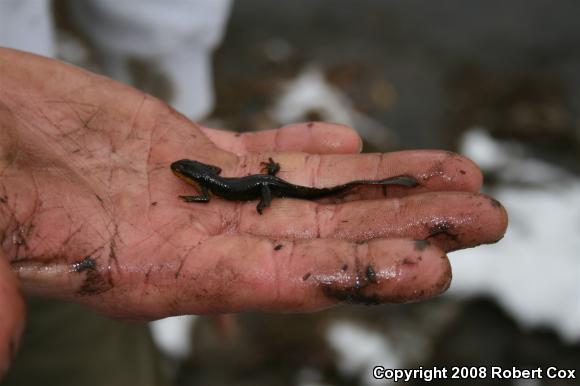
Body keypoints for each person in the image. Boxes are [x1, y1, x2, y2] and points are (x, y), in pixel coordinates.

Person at [0, 47, 508, 380]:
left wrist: (262, 196)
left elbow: (211, 194)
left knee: (321, 191)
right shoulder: (202, 180)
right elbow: (209, 190)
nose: (185, 177)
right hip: (260, 182)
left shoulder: (204, 185)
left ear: (192, 174)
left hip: (265, 186)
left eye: (186, 174)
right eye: (188, 175)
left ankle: (340, 187)